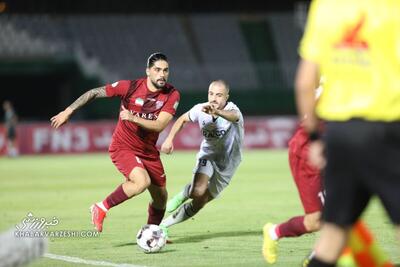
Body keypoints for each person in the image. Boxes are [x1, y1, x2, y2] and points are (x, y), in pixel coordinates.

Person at [295, 1, 400, 266]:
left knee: (332, 236)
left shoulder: (325, 7)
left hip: (340, 135)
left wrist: (316, 138)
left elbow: (305, 83)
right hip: (387, 131)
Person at [50, 52, 180, 232]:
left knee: (161, 198)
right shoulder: (131, 87)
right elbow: (94, 92)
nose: (162, 74)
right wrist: (68, 110)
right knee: (141, 182)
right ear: (148, 71)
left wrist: (133, 117)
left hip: (148, 151)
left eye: (165, 70)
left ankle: (151, 234)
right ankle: (101, 207)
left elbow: (159, 125)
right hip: (123, 147)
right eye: (157, 70)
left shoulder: (172, 94)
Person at [158, 80, 244, 236]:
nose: (214, 98)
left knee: (200, 201)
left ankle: (165, 224)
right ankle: (185, 194)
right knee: (197, 191)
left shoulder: (232, 110)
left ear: (226, 97)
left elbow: (234, 116)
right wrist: (169, 139)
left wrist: (216, 112)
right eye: (211, 94)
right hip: (208, 155)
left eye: (219, 95)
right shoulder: (200, 109)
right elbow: (182, 119)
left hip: (228, 165)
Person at [262, 122, 324, 264]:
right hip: (308, 156)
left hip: (335, 156)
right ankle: (273, 232)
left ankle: (319, 257)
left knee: (343, 213)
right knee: (315, 221)